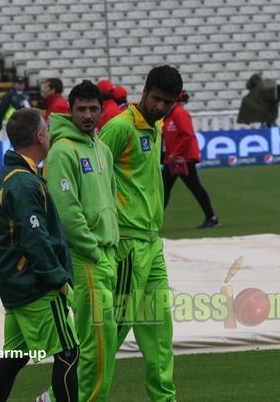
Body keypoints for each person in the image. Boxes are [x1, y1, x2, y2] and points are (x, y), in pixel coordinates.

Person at [99, 65, 181, 402]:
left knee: (160, 333)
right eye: (157, 99)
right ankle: (64, 395)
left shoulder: (155, 126)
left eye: (168, 103)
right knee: (109, 335)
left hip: (152, 243)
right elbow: (93, 176)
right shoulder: (120, 127)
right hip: (127, 246)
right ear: (144, 92)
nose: (161, 107)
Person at [0, 109, 78, 402]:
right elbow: (34, 238)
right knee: (69, 353)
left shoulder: (12, 176)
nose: (50, 136)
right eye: (47, 131)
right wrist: (58, 279)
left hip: (15, 286)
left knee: (14, 357)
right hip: (35, 287)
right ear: (40, 136)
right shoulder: (25, 182)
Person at [44, 81, 120, 402]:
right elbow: (67, 211)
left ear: (102, 111)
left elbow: (110, 200)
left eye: (93, 109)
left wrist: (112, 246)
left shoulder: (101, 148)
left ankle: (52, 398)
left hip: (106, 257)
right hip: (87, 261)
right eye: (81, 109)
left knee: (100, 343)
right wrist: (92, 250)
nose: (87, 115)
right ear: (70, 111)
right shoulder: (63, 151)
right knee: (97, 349)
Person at [162, 90, 220, 229]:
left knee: (168, 189)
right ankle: (211, 217)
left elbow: (187, 136)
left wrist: (174, 154)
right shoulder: (171, 114)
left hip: (183, 159)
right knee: (165, 189)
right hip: (176, 159)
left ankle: (212, 217)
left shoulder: (179, 113)